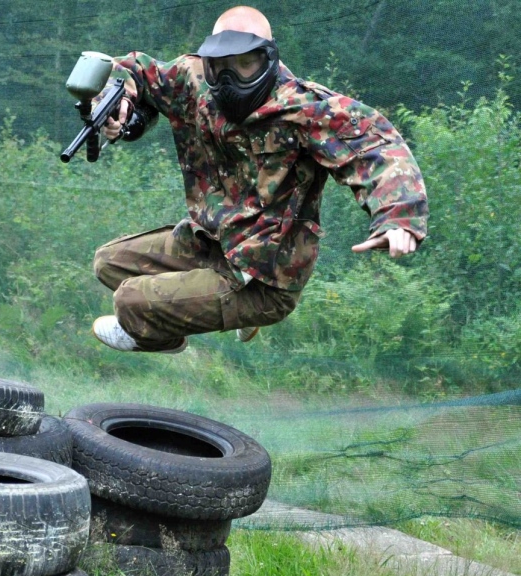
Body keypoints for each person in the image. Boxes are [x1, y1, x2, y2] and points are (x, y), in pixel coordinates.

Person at [89, 5, 429, 353]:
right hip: (210, 243)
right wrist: (117, 98)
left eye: (244, 64)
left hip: (265, 278)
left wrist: (398, 217)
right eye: (220, 66)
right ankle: (169, 330)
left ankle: (230, 313)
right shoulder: (193, 82)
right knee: (108, 264)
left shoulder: (303, 107)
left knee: (131, 302)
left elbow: (379, 148)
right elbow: (132, 70)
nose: (229, 78)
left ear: (267, 58)